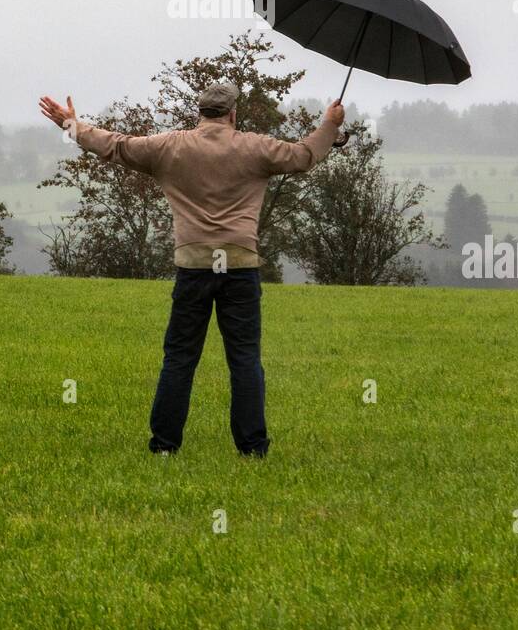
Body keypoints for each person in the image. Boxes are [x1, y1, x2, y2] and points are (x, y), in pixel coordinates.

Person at [39, 81, 344, 456]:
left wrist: (71, 125)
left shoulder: (170, 147)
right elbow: (304, 156)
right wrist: (330, 123)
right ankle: (252, 448)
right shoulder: (256, 148)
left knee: (180, 357)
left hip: (193, 265)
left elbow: (116, 146)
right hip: (240, 265)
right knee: (245, 359)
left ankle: (165, 446)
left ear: (200, 112)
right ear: (233, 113)